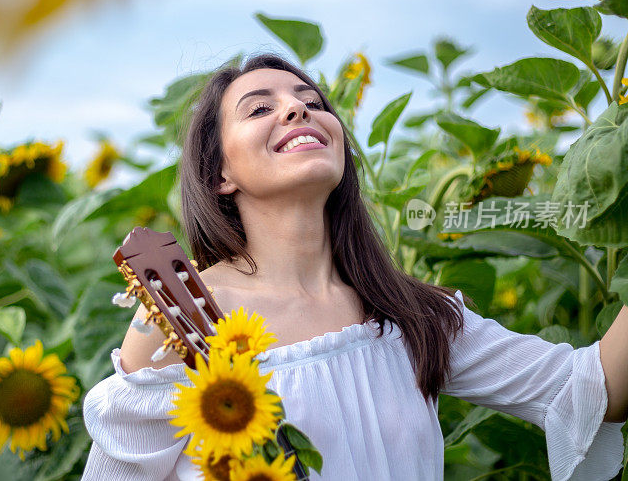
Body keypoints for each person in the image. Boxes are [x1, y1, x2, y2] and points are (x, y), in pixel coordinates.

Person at [81, 53, 627, 480]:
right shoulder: (181, 314)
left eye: (311, 101)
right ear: (220, 172)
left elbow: (594, 386)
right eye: (259, 108)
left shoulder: (410, 315)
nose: (298, 110)